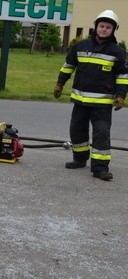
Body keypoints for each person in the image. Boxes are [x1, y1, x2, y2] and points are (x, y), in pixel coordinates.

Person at [53, 10, 128, 181]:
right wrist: (60, 84)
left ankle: (100, 168)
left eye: (108, 27)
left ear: (113, 30)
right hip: (80, 100)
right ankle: (79, 159)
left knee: (101, 134)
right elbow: (68, 67)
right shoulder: (80, 47)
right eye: (101, 26)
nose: (104, 29)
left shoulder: (118, 52)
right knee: (77, 130)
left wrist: (121, 96)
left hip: (102, 103)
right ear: (95, 27)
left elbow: (123, 77)